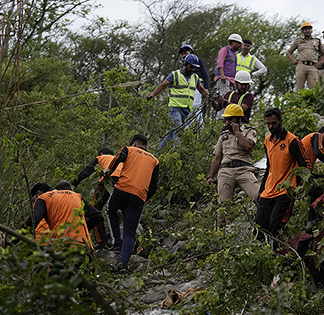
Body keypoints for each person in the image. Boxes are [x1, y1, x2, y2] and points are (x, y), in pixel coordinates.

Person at [255, 108, 312, 237]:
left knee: (275, 226)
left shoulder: (292, 141)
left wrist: (299, 185)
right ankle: (262, 255)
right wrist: (261, 190)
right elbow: (269, 167)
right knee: (259, 227)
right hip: (268, 191)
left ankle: (276, 255)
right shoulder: (267, 141)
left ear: (281, 121)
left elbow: (306, 164)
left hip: (285, 191)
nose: (270, 126)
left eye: (273, 123)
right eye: (268, 124)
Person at [106, 134, 159, 270]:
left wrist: (108, 173)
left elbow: (115, 162)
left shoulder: (129, 149)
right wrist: (144, 198)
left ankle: (116, 242)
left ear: (134, 144)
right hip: (139, 196)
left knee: (110, 211)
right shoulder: (154, 160)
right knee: (130, 232)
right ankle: (122, 264)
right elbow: (153, 187)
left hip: (122, 189)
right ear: (146, 146)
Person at [147, 54, 209, 149]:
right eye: (191, 66)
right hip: (175, 108)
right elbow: (163, 85)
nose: (193, 69)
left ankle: (158, 153)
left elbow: (201, 90)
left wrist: (207, 95)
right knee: (178, 131)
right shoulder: (175, 75)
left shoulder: (195, 77)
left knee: (172, 133)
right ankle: (178, 153)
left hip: (186, 109)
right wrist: (153, 94)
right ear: (185, 64)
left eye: (194, 67)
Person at [206, 104, 260, 203]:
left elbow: (248, 146)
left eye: (231, 119)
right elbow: (217, 158)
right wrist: (211, 176)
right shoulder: (224, 135)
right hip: (226, 171)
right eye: (227, 119)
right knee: (223, 206)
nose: (228, 122)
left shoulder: (249, 131)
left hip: (244, 170)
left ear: (239, 119)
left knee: (259, 198)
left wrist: (237, 132)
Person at [31, 181, 104, 249]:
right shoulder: (76, 196)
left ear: (38, 192)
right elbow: (97, 216)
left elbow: (35, 220)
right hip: (85, 246)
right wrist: (83, 229)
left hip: (63, 246)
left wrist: (21, 233)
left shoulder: (44, 199)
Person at [286, 22, 324, 90]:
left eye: (309, 29)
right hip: (301, 65)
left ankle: (313, 101)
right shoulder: (298, 41)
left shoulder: (317, 41)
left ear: (311, 30)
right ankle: (298, 100)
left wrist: (320, 63)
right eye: (305, 29)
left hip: (313, 66)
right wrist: (292, 59)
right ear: (302, 31)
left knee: (314, 89)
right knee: (299, 88)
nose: (307, 30)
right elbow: (288, 52)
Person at [179, 45, 210, 122]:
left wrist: (206, 88)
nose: (184, 55)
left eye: (185, 53)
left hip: (198, 87)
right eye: (182, 54)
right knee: (189, 107)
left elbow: (205, 75)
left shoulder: (199, 61)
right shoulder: (184, 66)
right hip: (187, 88)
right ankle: (191, 126)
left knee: (195, 106)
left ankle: (197, 126)